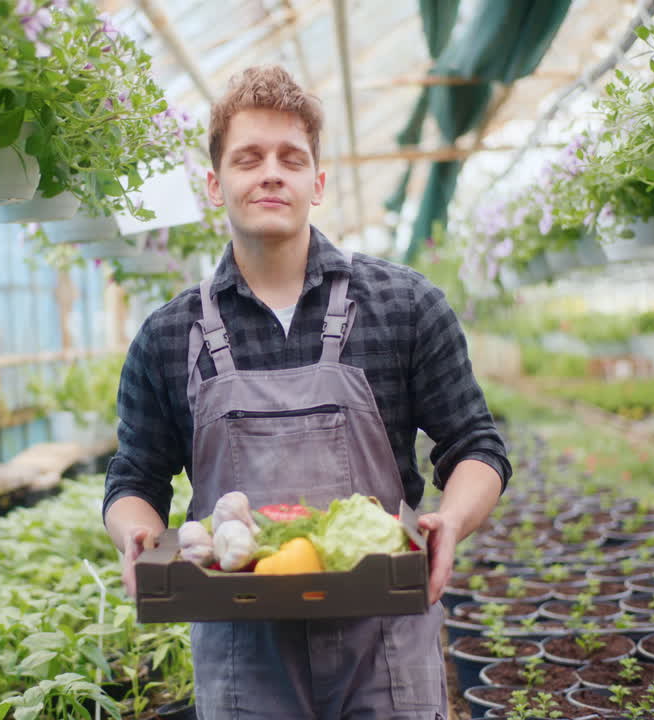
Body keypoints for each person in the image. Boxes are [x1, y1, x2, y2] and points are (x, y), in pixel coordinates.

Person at [102, 65, 511, 719]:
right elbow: (133, 481)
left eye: (291, 158)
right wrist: (138, 538)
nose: (271, 172)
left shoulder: (405, 305)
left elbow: (477, 448)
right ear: (215, 184)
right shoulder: (167, 335)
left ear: (317, 183)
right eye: (248, 158)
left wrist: (452, 520)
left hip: (384, 656)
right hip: (244, 661)